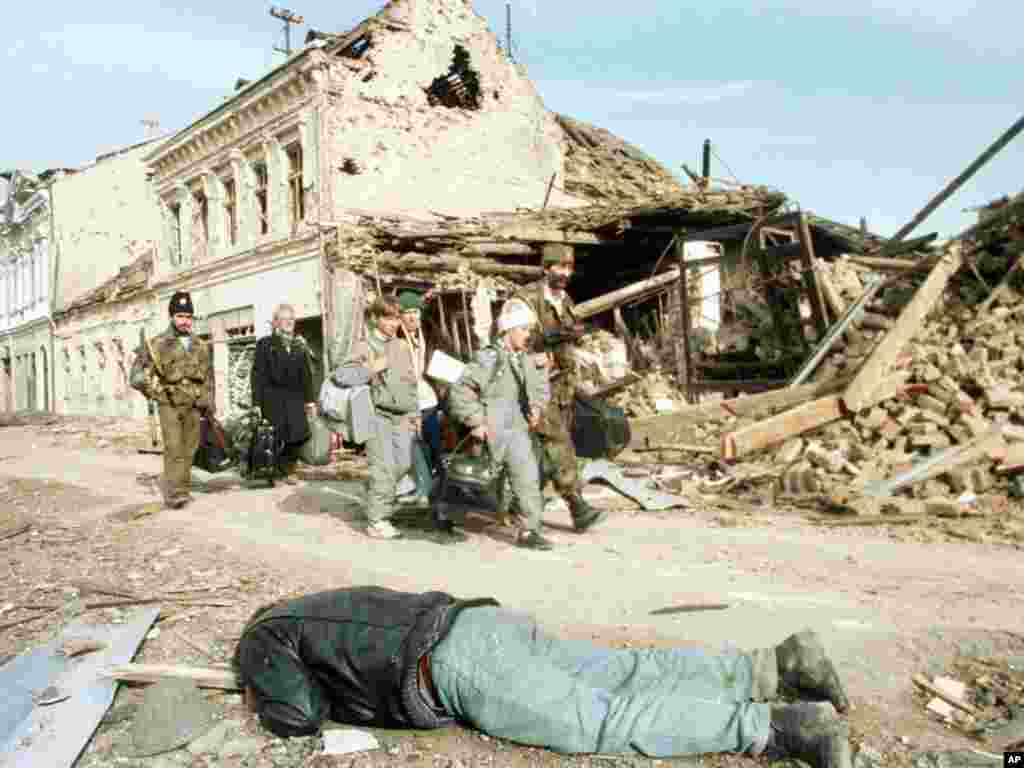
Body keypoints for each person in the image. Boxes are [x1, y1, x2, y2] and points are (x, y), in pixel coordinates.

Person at [234, 586, 852, 768]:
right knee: (625, 670)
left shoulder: (263, 637)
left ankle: (779, 728)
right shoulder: (313, 601)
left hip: (450, 663)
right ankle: (775, 665)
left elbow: (295, 718)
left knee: (604, 719)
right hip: (480, 623)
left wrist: (254, 686)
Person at [513, 244, 605, 533]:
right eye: (559, 267)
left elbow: (568, 340)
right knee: (557, 441)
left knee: (543, 449)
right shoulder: (525, 300)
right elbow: (516, 340)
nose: (566, 273)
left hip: (563, 384)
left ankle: (519, 503)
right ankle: (577, 504)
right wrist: (550, 337)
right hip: (538, 384)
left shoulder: (564, 300)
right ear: (546, 267)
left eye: (569, 267)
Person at [447, 299, 553, 549]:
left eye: (529, 330)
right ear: (509, 330)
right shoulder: (489, 358)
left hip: (517, 428)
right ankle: (446, 510)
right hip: (491, 429)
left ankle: (529, 531)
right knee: (480, 481)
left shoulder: (526, 358)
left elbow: (539, 386)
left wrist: (537, 408)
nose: (528, 335)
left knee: (527, 479)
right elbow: (460, 391)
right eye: (524, 329)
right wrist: (475, 421)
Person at [330, 296, 418, 539]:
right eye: (388, 318)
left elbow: (411, 382)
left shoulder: (401, 346)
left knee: (403, 464)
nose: (393, 323)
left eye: (396, 318)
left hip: (401, 415)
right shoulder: (364, 345)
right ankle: (377, 520)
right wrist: (370, 369)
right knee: (384, 467)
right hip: (375, 414)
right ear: (375, 319)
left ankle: (373, 492)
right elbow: (342, 375)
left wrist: (415, 413)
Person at [129, 291, 215, 509]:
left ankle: (183, 489)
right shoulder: (156, 344)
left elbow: (208, 377)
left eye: (188, 316)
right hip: (169, 403)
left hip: (194, 405)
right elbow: (136, 376)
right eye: (179, 316)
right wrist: (154, 392)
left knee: (189, 449)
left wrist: (209, 404)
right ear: (171, 317)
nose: (184, 321)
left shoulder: (200, 345)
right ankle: (175, 494)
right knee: (174, 447)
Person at [250, 304, 317, 485]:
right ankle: (273, 470)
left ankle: (290, 469)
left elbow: (306, 375)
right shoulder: (265, 344)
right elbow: (258, 375)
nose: (288, 323)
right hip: (273, 398)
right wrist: (256, 402)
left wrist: (310, 401)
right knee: (275, 436)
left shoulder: (299, 345)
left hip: (295, 398)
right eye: (284, 319)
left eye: (291, 319)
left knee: (296, 435)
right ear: (276, 322)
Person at [397, 290, 442, 485]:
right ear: (400, 316)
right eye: (407, 312)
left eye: (415, 311)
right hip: (407, 402)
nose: (412, 316)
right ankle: (419, 485)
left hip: (428, 399)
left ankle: (437, 485)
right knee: (413, 449)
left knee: (433, 446)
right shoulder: (396, 340)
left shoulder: (430, 335)